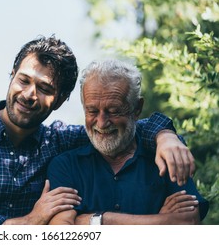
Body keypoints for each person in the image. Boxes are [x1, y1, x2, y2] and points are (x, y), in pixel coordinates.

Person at [0, 36, 195, 225]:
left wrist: (165, 136)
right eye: (24, 80)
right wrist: (27, 223)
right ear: (12, 75)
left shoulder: (58, 141)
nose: (29, 94)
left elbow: (119, 125)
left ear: (61, 100)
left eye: (44, 89)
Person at [48, 59, 209, 225]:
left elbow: (187, 224)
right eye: (92, 111)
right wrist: (160, 222)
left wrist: (94, 221)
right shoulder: (66, 165)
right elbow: (62, 234)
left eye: (114, 111)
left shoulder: (167, 153)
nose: (102, 123)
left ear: (137, 109)